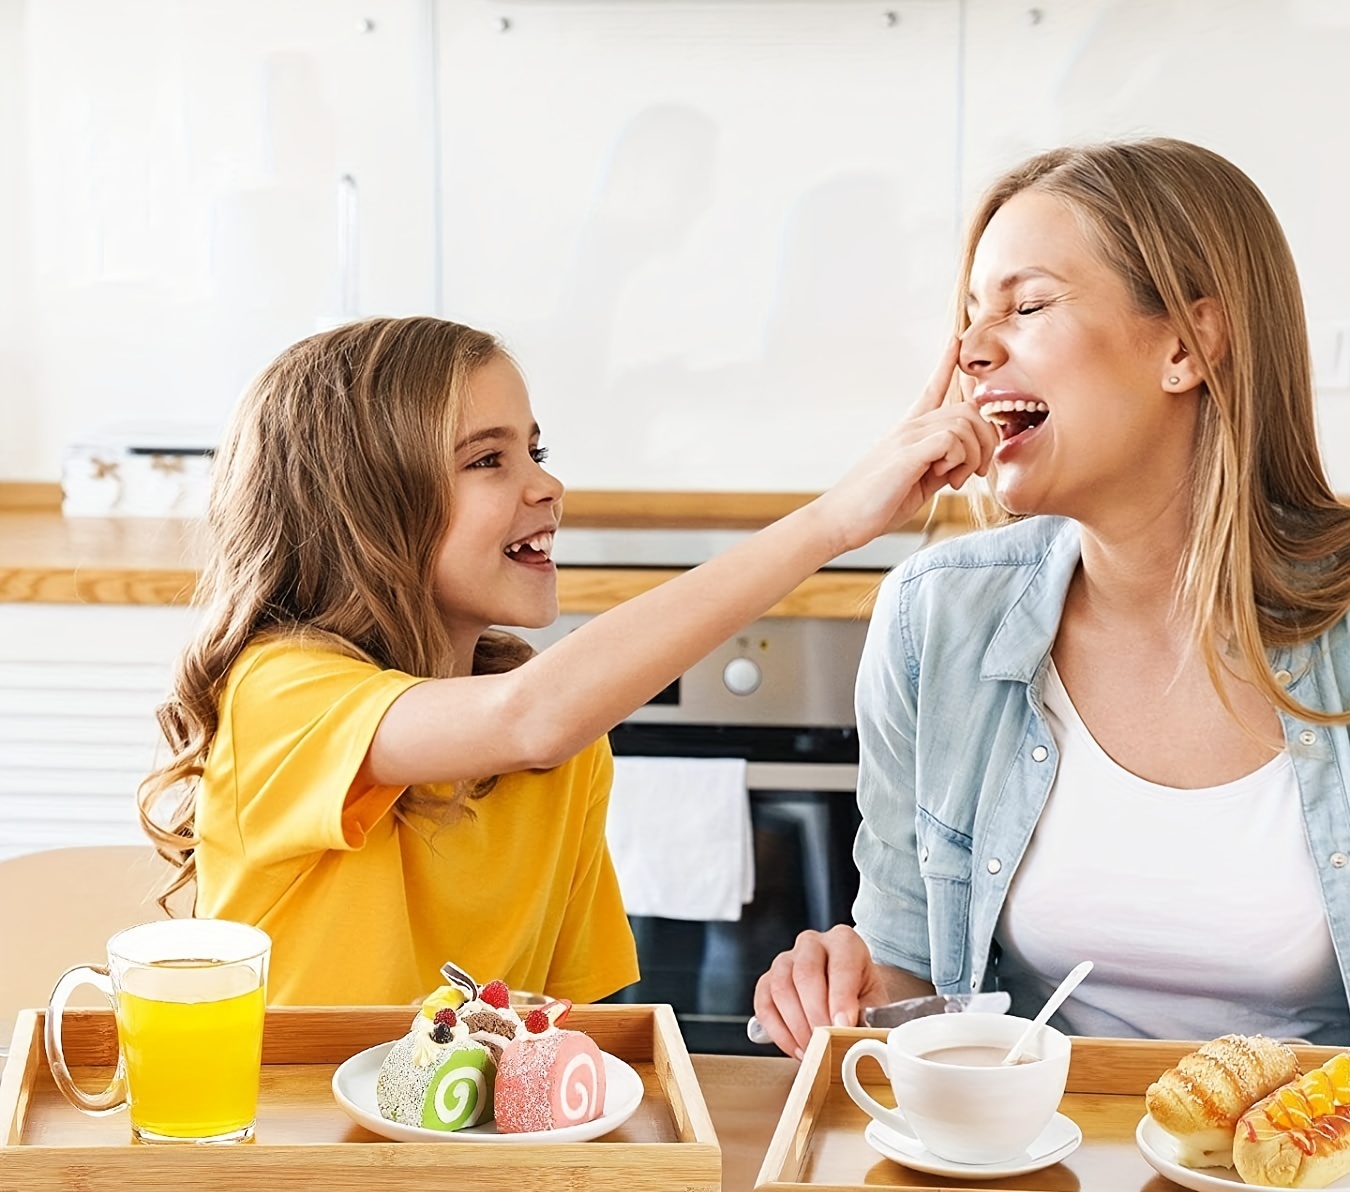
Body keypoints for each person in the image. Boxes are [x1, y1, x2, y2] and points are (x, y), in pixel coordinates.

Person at [752, 137, 1350, 1070]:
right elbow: (912, 978)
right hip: (1042, 1179)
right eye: (969, 318)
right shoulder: (933, 618)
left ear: (1187, 345)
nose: (970, 354)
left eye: (1026, 306)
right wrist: (853, 991)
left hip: (1331, 1187)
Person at [138, 316, 995, 1005]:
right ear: (363, 512)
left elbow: (558, 1028)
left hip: (477, 1176)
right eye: (487, 460)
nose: (545, 487)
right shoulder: (281, 693)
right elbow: (528, 716)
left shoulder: (564, 751)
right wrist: (832, 524)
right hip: (292, 1165)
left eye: (535, 452)